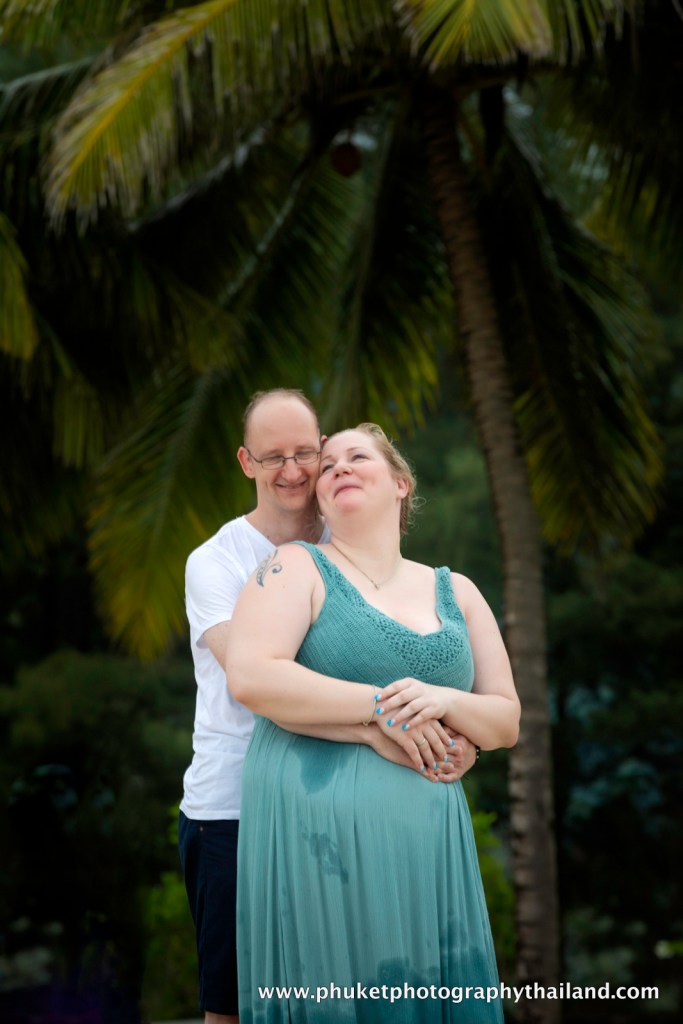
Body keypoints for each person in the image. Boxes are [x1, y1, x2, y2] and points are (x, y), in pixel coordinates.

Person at [179, 394, 478, 1024]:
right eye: (273, 457)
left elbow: (410, 661)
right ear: (245, 462)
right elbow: (259, 684)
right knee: (236, 1006)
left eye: (305, 454)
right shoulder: (217, 563)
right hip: (233, 808)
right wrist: (380, 728)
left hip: (349, 819)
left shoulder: (351, 543)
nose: (292, 470)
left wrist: (457, 728)